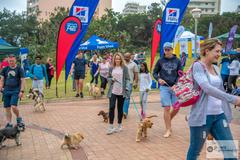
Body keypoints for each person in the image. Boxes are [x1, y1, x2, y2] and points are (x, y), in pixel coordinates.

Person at [186, 38, 240, 160]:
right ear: (206, 51)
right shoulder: (197, 66)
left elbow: (220, 90)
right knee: (195, 152)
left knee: (230, 153)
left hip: (219, 116)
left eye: (220, 51)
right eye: (216, 51)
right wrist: (233, 99)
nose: (219, 54)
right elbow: (207, 88)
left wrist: (229, 105)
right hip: (202, 117)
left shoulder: (216, 68)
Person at [153, 42, 182, 138]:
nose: (167, 51)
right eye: (165, 49)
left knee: (177, 107)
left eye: (169, 49)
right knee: (167, 108)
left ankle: (168, 119)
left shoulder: (177, 61)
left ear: (172, 50)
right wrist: (158, 79)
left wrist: (176, 84)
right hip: (164, 87)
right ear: (164, 50)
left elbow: (180, 74)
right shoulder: (160, 61)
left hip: (175, 87)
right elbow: (154, 73)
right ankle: (168, 129)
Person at [106, 52, 130, 135]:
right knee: (111, 107)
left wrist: (127, 87)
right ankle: (110, 126)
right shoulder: (111, 68)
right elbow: (108, 77)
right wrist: (111, 80)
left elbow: (127, 79)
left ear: (121, 59)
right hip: (113, 91)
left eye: (119, 58)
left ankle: (119, 125)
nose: (117, 60)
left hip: (121, 91)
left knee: (120, 109)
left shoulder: (124, 68)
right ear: (114, 59)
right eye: (116, 58)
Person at [0, 54, 25, 128]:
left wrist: (22, 91)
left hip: (15, 90)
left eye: (12, 61)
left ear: (15, 61)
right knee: (7, 108)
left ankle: (18, 118)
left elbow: (23, 80)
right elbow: (2, 80)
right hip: (6, 90)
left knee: (13, 106)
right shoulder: (5, 69)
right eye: (10, 61)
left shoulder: (19, 69)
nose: (11, 62)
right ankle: (9, 123)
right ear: (8, 61)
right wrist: (1, 87)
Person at [123, 52, 139, 119]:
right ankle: (122, 111)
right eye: (125, 57)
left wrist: (135, 82)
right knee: (121, 97)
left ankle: (125, 112)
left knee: (127, 97)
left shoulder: (134, 64)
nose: (125, 58)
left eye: (127, 57)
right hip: (121, 82)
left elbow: (136, 74)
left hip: (129, 83)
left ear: (130, 57)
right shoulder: (121, 63)